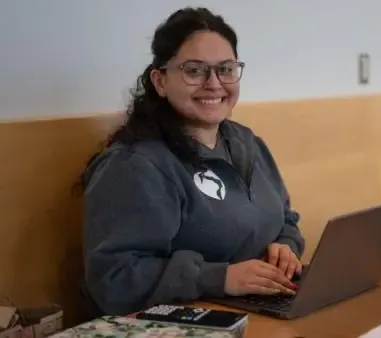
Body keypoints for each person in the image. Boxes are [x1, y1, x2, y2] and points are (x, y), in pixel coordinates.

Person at [78, 6, 305, 317]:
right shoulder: (135, 165)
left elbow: (285, 219)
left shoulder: (247, 142)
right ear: (160, 81)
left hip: (260, 310)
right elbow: (113, 278)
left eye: (226, 69)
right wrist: (219, 277)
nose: (214, 83)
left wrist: (286, 246)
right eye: (194, 70)